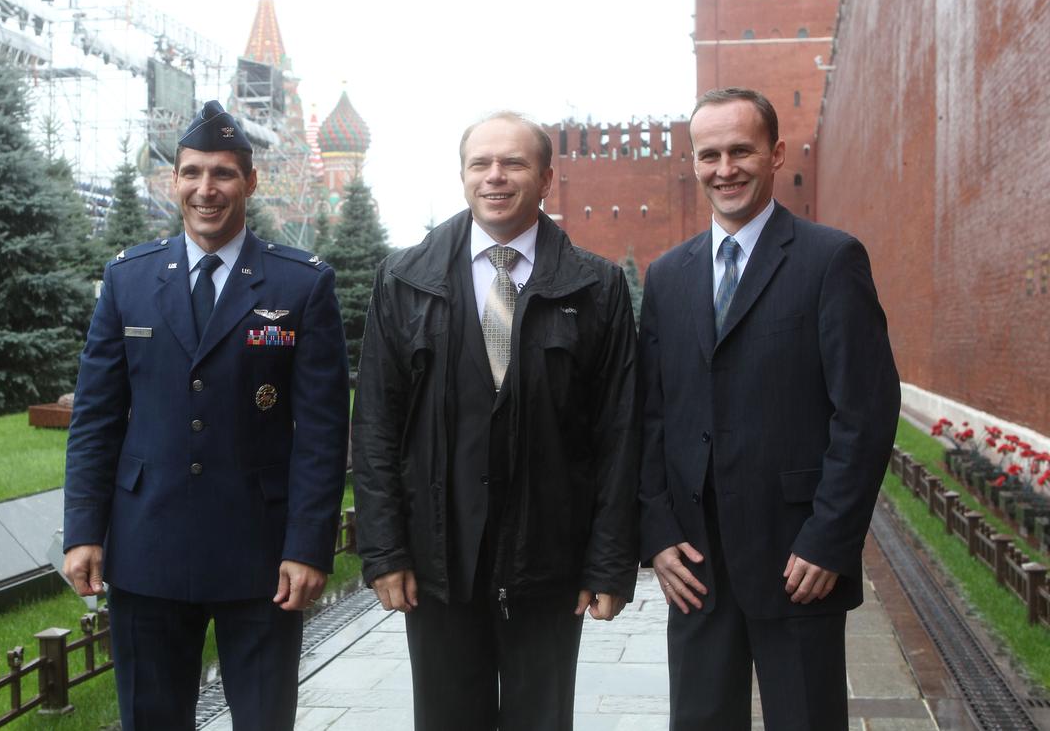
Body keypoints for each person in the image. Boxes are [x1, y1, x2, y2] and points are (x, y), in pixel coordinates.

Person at [62, 100, 349, 730]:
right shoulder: (129, 279)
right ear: (175, 182)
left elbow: (323, 434)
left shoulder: (300, 286)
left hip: (262, 554)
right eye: (192, 173)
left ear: (250, 181)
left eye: (222, 173)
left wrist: (309, 546)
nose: (205, 189)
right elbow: (97, 419)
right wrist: (84, 529)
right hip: (147, 546)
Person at [351, 111, 641, 731]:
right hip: (438, 567)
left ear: (546, 179)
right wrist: (384, 551)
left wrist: (609, 561)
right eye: (480, 164)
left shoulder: (595, 288)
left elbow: (620, 432)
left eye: (513, 163)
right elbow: (375, 423)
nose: (495, 177)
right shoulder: (404, 281)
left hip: (549, 563)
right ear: (462, 176)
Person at [638, 87, 900, 730]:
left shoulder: (829, 259)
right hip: (696, 568)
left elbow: (864, 412)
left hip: (797, 561)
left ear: (776, 154)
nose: (723, 168)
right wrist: (658, 535)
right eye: (708, 154)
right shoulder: (668, 276)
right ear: (692, 162)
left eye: (740, 150)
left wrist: (830, 540)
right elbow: (649, 416)